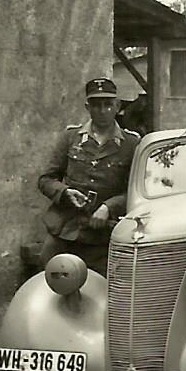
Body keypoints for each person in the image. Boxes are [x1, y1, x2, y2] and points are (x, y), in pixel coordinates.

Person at [38, 77, 140, 273]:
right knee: (50, 280)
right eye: (96, 105)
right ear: (87, 107)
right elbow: (46, 179)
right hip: (65, 230)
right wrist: (65, 193)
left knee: (105, 291)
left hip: (104, 236)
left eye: (108, 104)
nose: (103, 111)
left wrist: (108, 207)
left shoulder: (131, 143)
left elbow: (136, 191)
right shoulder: (70, 138)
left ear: (118, 106)